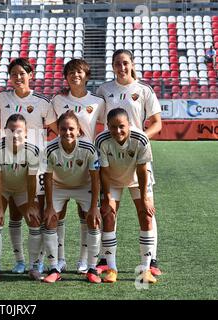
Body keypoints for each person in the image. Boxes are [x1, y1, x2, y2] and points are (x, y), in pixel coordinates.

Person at [96, 49, 162, 277]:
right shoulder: (104, 90)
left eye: (125, 63)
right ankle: (108, 262)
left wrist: (138, 142)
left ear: (132, 64)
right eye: (117, 64)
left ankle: (150, 263)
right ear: (112, 66)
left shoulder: (144, 90)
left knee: (146, 211)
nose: (121, 67)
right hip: (111, 159)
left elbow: (156, 123)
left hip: (137, 159)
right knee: (108, 212)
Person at [0, 57, 58, 274]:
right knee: (13, 215)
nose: (18, 77)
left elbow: (56, 130)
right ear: (9, 77)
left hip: (35, 166)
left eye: (22, 73)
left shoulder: (42, 102)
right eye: (14, 74)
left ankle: (37, 261)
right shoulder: (1, 98)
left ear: (30, 75)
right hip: (9, 165)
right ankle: (19, 260)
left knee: (34, 215)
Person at [51, 58, 106, 274]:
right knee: (59, 213)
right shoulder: (57, 100)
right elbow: (55, 126)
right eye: (71, 72)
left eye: (80, 72)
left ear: (87, 76)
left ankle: (84, 260)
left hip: (88, 164)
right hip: (62, 164)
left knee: (87, 215)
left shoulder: (98, 102)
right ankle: (60, 259)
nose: (76, 75)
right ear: (66, 76)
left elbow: (108, 123)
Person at [95, 108, 157, 284]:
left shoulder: (140, 139)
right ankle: (112, 268)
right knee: (108, 215)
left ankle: (146, 269)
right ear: (107, 126)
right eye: (113, 127)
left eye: (122, 126)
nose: (118, 131)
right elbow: (104, 172)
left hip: (138, 179)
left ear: (129, 124)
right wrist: (107, 198)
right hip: (112, 179)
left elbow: (142, 170)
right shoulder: (101, 140)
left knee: (146, 215)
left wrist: (144, 198)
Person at [42, 111, 101, 283]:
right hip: (59, 186)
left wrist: (94, 206)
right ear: (58, 130)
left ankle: (91, 268)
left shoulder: (88, 148)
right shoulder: (50, 149)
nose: (67, 132)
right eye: (63, 129)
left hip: (84, 186)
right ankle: (54, 268)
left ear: (78, 131)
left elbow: (96, 178)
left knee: (93, 220)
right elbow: (47, 178)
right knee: (51, 219)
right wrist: (50, 206)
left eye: (71, 129)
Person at [0, 114, 42, 283]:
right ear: (5, 132)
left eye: (19, 131)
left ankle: (33, 267)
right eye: (11, 130)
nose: (15, 134)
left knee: (34, 220)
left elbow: (32, 181)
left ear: (26, 133)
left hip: (23, 189)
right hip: (1, 189)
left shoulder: (33, 150)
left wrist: (32, 204)